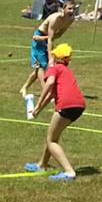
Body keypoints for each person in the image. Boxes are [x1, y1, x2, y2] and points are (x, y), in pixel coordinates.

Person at [26, 42, 85, 181]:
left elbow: (50, 83)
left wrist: (38, 103)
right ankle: (42, 164)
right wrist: (38, 109)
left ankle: (69, 172)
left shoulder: (54, 68)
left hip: (66, 105)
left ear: (55, 57)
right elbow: (52, 94)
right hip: (79, 105)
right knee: (52, 136)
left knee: (51, 140)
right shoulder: (66, 71)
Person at [22, 0, 78, 117]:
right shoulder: (55, 19)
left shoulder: (71, 19)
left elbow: (58, 35)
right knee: (43, 65)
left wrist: (46, 39)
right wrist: (51, 57)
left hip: (45, 38)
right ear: (63, 8)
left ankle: (25, 87)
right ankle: (46, 92)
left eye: (74, 9)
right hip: (40, 37)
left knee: (39, 68)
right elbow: (51, 39)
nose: (72, 11)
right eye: (69, 8)